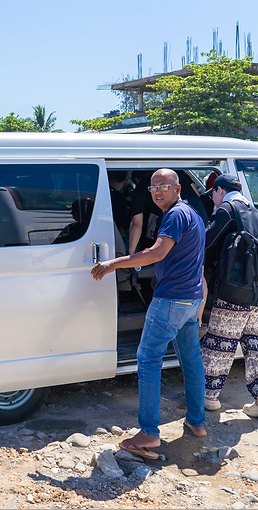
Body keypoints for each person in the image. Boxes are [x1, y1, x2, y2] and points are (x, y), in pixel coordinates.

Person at [91, 168, 207, 458]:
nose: (157, 192)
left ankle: (149, 433)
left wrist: (112, 264)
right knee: (191, 360)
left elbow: (156, 253)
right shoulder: (191, 214)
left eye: (164, 186)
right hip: (190, 299)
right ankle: (197, 422)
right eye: (153, 188)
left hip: (171, 300)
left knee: (147, 359)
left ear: (178, 188)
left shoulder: (176, 215)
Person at [199, 174, 258, 420]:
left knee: (219, 344)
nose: (212, 198)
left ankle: (209, 397)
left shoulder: (226, 209)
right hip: (256, 291)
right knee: (257, 347)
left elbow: (207, 244)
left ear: (220, 191)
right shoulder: (255, 213)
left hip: (232, 293)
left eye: (212, 193)